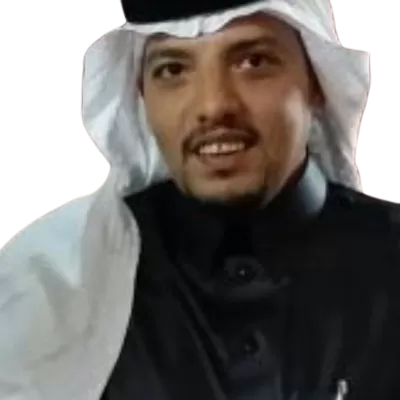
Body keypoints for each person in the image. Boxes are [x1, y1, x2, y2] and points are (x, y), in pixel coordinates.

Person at [1, 0, 400, 399]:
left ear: (317, 83)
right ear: (142, 94)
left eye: (253, 62)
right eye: (173, 70)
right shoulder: (49, 289)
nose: (214, 105)